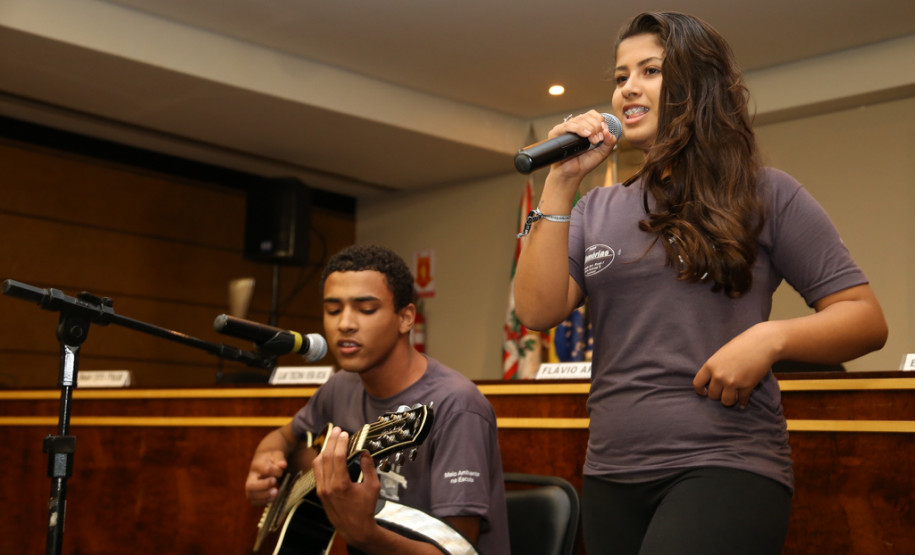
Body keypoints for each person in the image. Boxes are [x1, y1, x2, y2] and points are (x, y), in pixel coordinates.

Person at [513, 11, 887, 555]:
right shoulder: (594, 208)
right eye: (620, 77)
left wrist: (769, 340)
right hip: (612, 471)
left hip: (726, 465)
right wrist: (562, 181)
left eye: (650, 71)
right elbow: (536, 309)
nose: (628, 89)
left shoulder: (766, 193)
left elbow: (864, 317)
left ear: (698, 86)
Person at [245, 245, 510, 554]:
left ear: (405, 318)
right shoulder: (339, 388)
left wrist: (366, 535)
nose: (345, 323)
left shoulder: (457, 406)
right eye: (333, 310)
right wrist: (266, 463)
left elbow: (458, 550)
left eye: (366, 309)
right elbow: (283, 437)